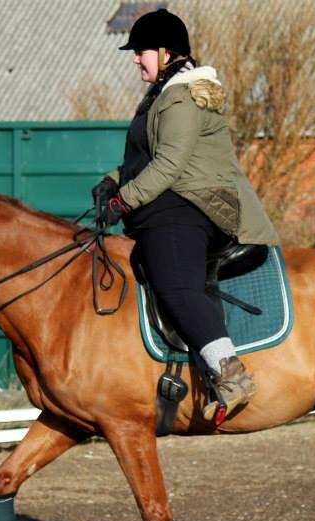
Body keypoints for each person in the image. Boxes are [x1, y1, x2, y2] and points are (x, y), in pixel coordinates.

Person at [92, 8, 279, 422]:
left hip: (199, 206)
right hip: (172, 200)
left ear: (166, 52)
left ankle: (231, 374)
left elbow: (170, 165)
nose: (135, 59)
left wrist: (122, 202)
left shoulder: (182, 96)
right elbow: (145, 161)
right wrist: (111, 181)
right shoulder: (160, 95)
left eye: (141, 52)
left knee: (176, 285)